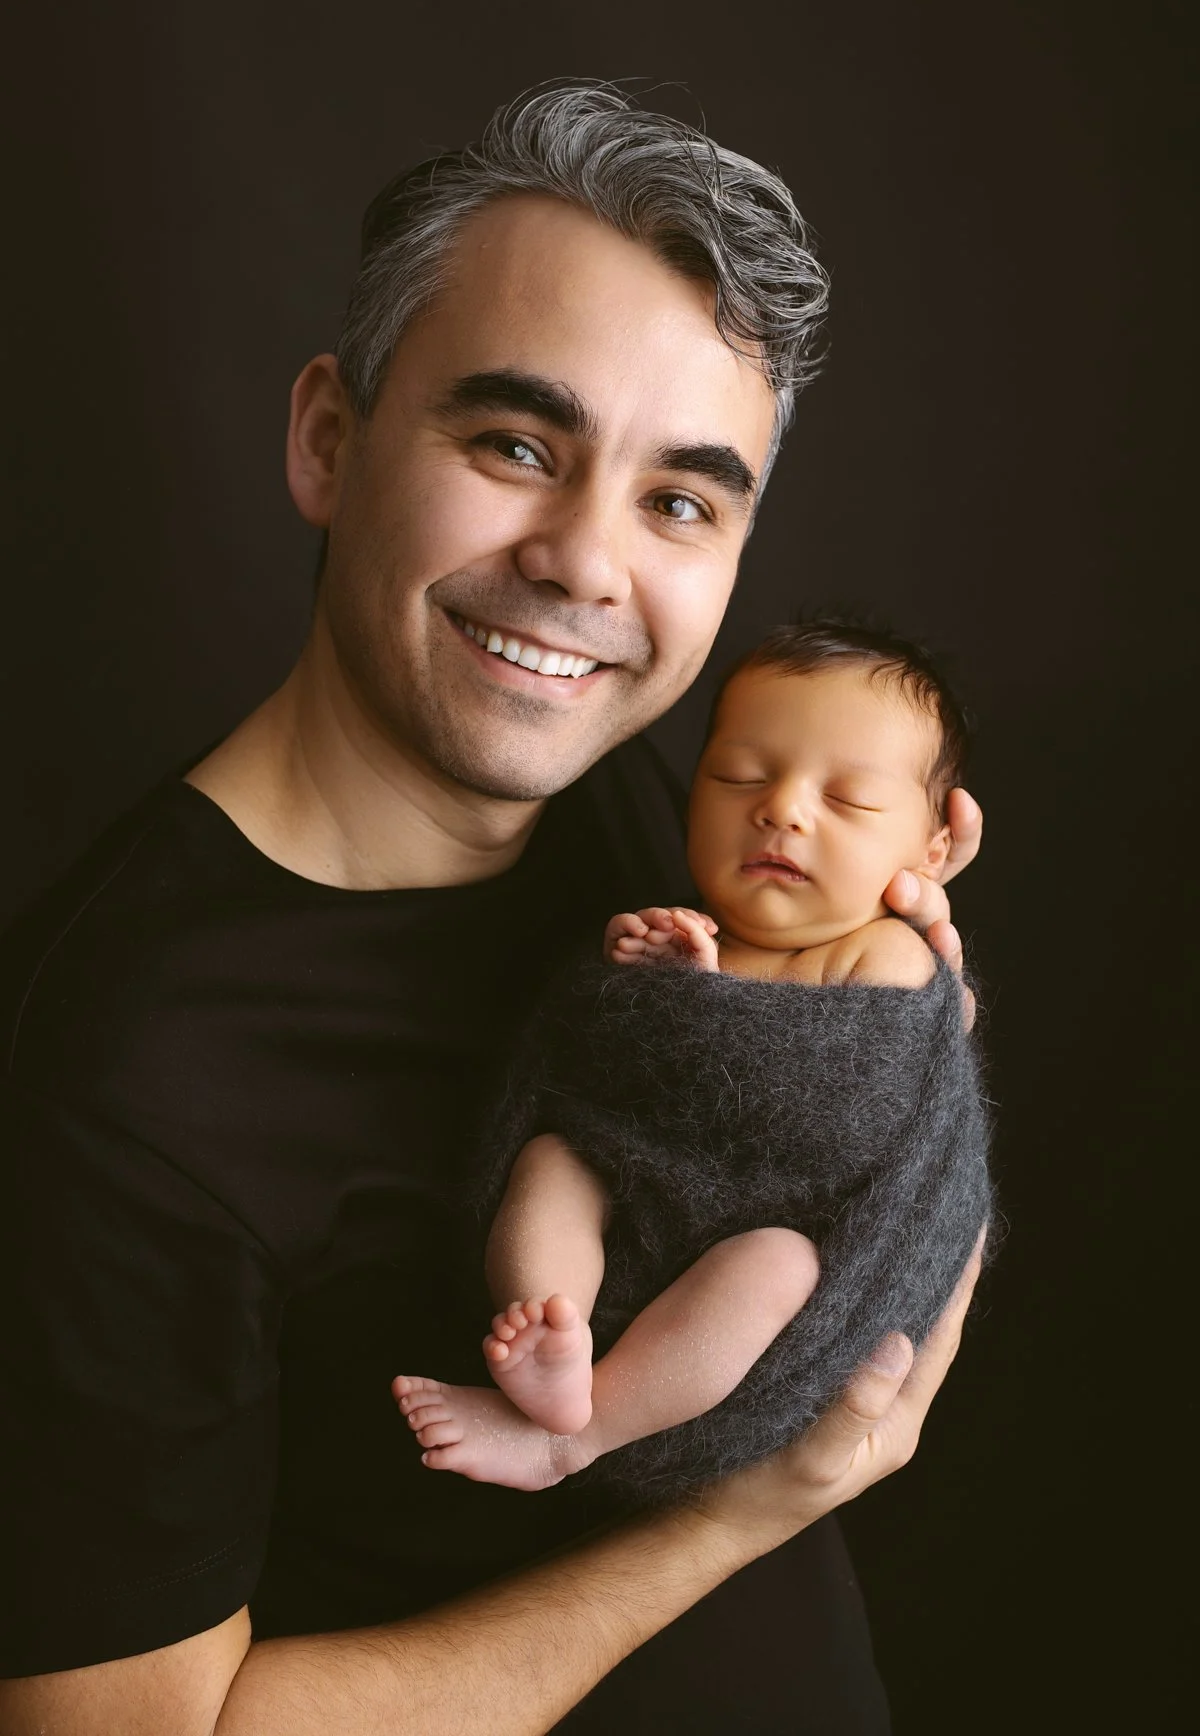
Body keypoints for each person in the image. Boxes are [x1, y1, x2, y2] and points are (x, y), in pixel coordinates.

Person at [0, 83, 985, 1734]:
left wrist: (898, 991)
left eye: (679, 500)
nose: (588, 566)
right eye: (517, 446)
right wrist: (742, 1516)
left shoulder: (642, 806)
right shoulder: (112, 1082)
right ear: (331, 440)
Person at [394, 621, 991, 1496]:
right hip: (632, 1203)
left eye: (850, 800)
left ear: (932, 850)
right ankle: (553, 1327)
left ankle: (578, 1436)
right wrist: (645, 978)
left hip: (753, 1265)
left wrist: (702, 1012)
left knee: (778, 1266)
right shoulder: (682, 922)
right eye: (739, 777)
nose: (781, 810)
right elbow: (592, 1064)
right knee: (553, 1160)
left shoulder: (884, 952)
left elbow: (843, 1107)